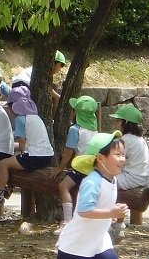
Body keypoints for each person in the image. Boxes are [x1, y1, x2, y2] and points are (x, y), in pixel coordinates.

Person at [56, 131, 128, 259]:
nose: (122, 159)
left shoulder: (113, 179)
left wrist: (110, 216)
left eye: (123, 154)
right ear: (100, 158)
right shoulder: (92, 181)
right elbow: (84, 210)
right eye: (117, 154)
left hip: (99, 241)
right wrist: (110, 213)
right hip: (76, 247)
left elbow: (100, 207)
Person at [50, 95, 98, 236]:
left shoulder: (74, 129)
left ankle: (67, 221)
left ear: (76, 113)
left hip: (81, 167)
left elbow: (68, 151)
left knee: (63, 186)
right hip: (94, 167)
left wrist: (60, 167)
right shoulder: (94, 129)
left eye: (74, 110)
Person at [0, 97, 54, 205]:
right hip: (47, 155)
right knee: (15, 163)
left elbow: (22, 141)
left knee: (3, 164)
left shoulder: (20, 119)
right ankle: (8, 189)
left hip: (34, 156)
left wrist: (21, 152)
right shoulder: (36, 117)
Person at [109, 105, 149, 243]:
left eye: (117, 120)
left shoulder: (125, 140)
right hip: (142, 177)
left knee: (106, 183)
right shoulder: (139, 139)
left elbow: (116, 160)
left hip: (132, 177)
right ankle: (118, 224)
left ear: (123, 123)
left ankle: (112, 223)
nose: (114, 123)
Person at [12, 50, 66, 117]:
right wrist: (59, 97)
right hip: (23, 86)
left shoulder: (39, 69)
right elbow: (48, 88)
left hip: (18, 86)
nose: (60, 69)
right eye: (60, 65)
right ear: (53, 63)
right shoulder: (43, 72)